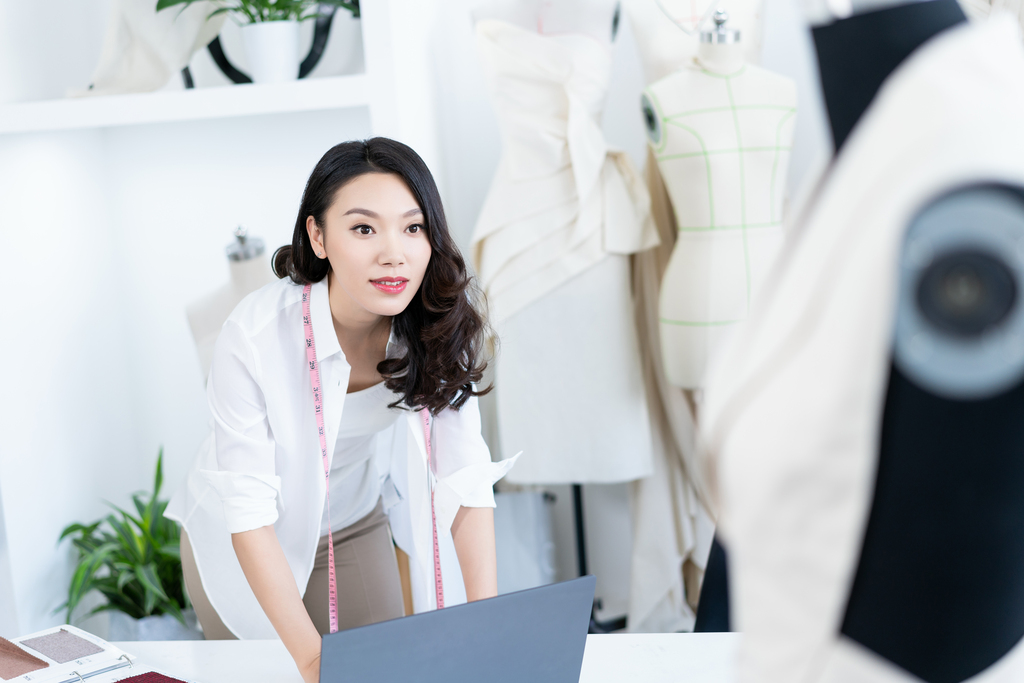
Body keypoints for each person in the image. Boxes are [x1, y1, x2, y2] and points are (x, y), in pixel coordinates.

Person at [167, 138, 516, 683]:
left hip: (349, 523)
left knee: (385, 675)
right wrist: (310, 660)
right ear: (318, 236)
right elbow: (249, 512)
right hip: (243, 538)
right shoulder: (254, 336)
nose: (393, 253)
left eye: (413, 227)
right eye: (363, 228)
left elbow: (466, 479)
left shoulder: (438, 327)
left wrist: (488, 622)